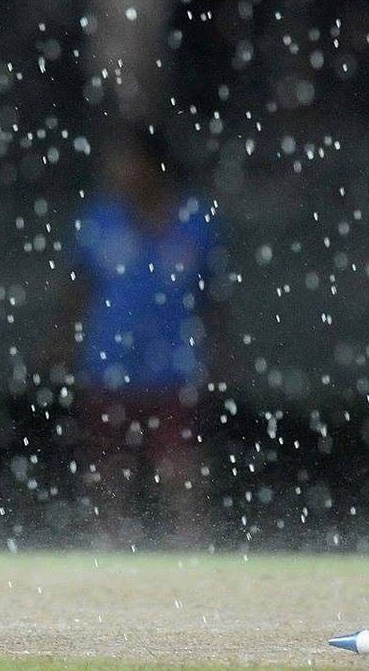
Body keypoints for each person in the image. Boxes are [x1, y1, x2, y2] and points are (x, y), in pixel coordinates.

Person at [40, 128, 233, 545]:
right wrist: (61, 343)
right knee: (107, 465)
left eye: (126, 162)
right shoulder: (99, 221)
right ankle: (107, 544)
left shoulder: (196, 223)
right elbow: (79, 291)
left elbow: (214, 298)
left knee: (180, 465)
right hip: (110, 362)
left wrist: (222, 353)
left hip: (173, 365)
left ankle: (190, 545)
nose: (117, 172)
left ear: (153, 166)